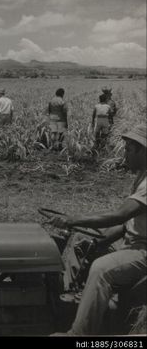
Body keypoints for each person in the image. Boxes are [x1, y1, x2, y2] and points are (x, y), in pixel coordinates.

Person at [50, 123, 147, 335]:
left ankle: (80, 333)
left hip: (143, 252)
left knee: (102, 269)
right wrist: (98, 242)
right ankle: (67, 305)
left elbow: (120, 215)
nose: (125, 156)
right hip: (133, 246)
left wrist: (73, 220)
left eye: (129, 150)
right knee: (81, 247)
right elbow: (126, 225)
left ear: (143, 150)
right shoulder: (140, 177)